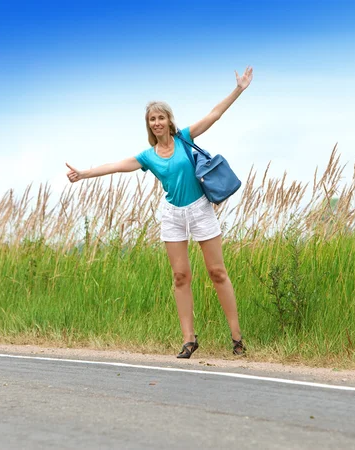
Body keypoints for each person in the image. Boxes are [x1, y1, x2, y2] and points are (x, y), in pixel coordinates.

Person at [66, 66, 253, 358]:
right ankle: (189, 339)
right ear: (148, 125)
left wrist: (239, 89)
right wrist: (84, 173)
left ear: (169, 121)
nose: (156, 123)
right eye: (152, 119)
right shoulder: (147, 157)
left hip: (200, 210)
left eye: (160, 117)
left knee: (217, 272)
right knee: (180, 276)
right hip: (172, 215)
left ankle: (237, 337)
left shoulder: (184, 138)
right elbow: (115, 166)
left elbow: (214, 115)